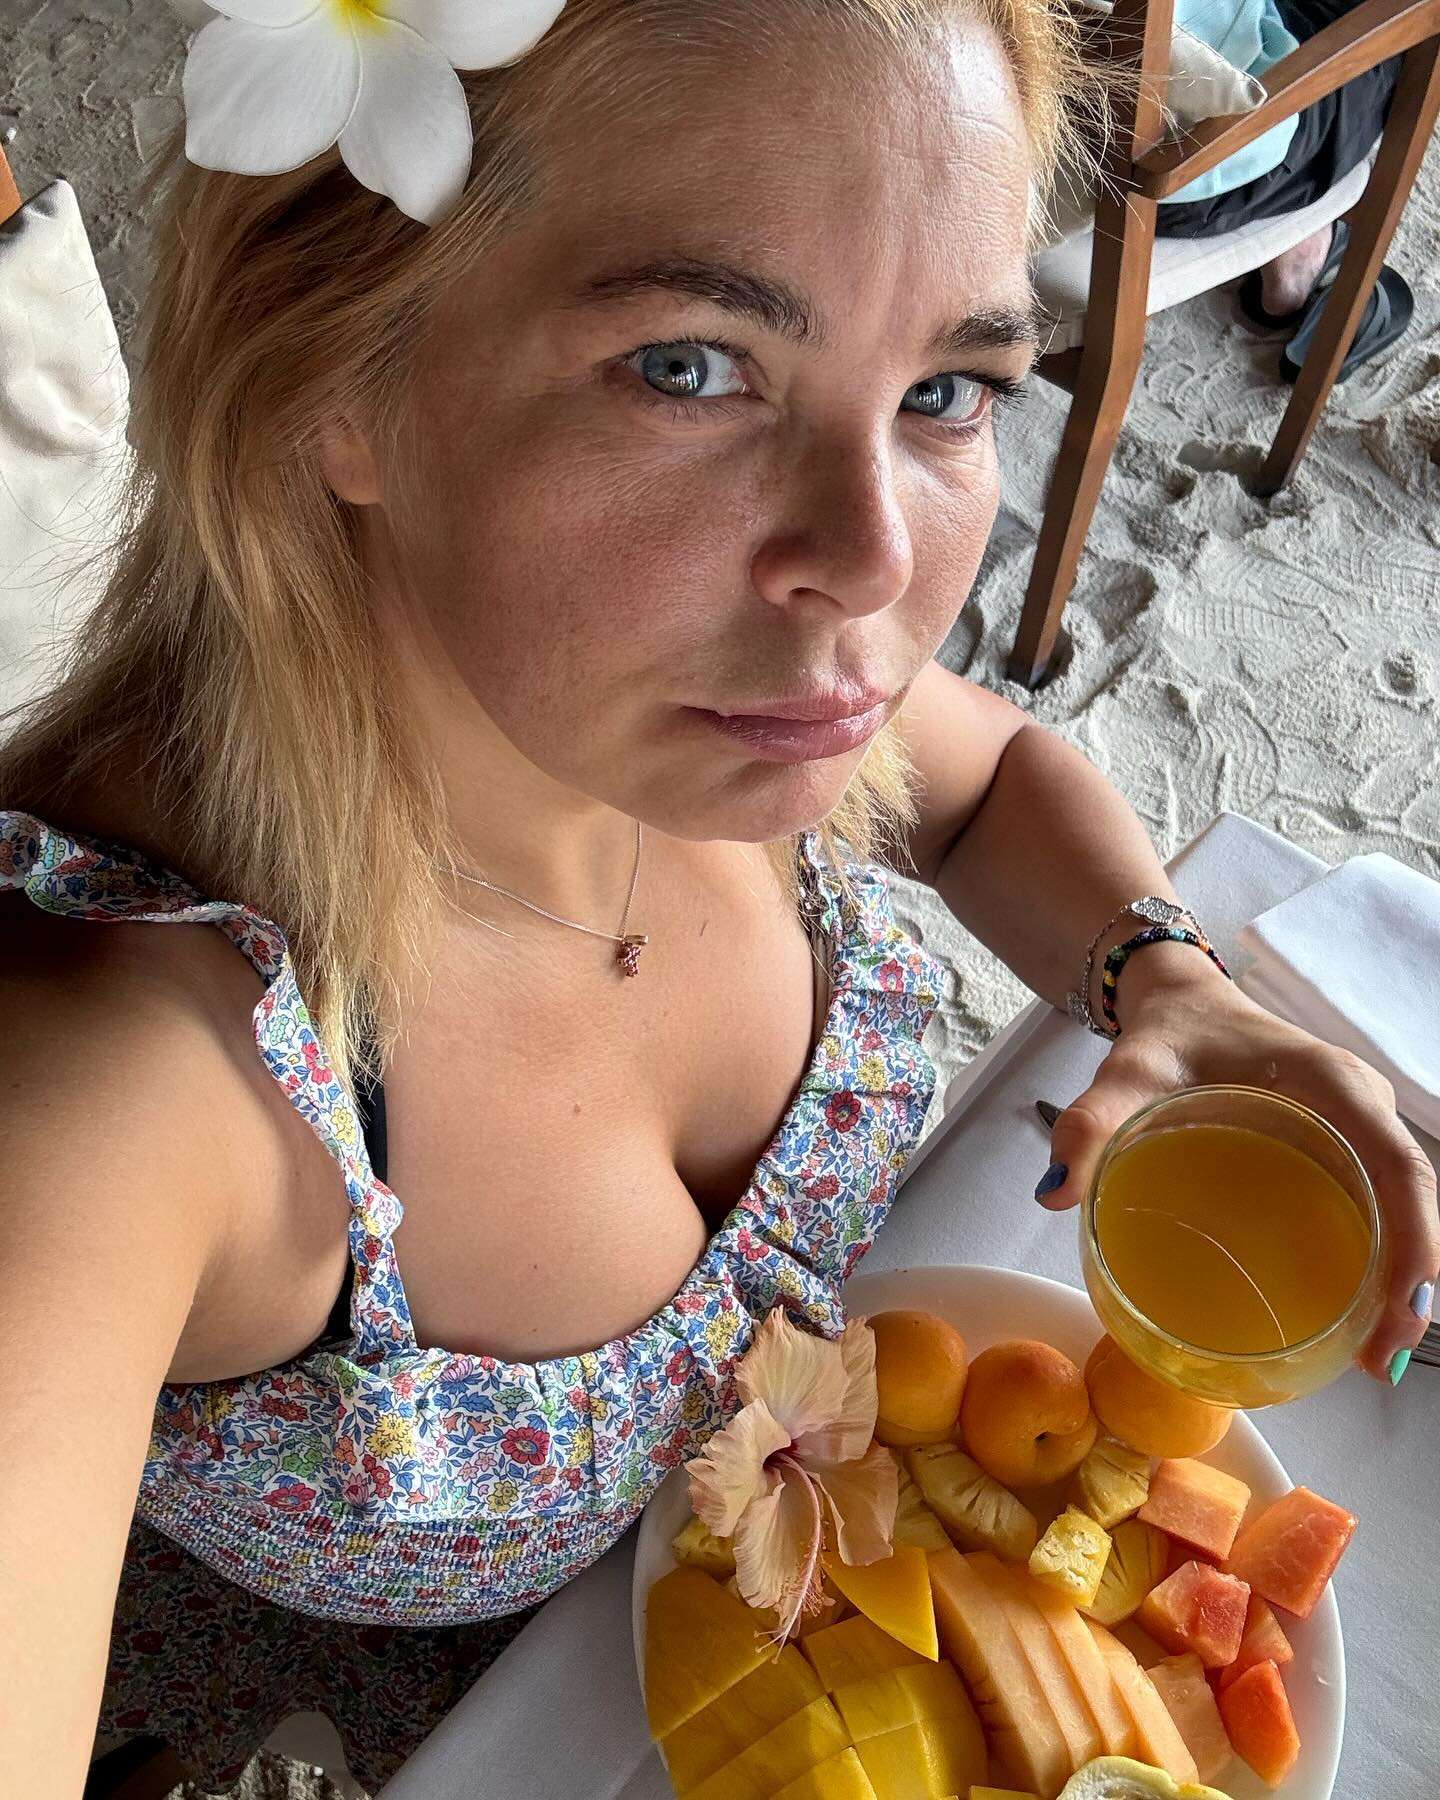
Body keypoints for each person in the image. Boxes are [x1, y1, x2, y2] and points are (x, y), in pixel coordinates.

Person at [0, 1, 1434, 1796]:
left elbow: (982, 779)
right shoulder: (110, 1084)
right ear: (334, 382)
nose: (877, 568)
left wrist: (1167, 978)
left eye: (948, 390)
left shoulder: (701, 700)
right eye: (688, 367)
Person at [1154, 0, 1409, 378]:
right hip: (1171, 177)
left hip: (1067, 161)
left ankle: (1297, 243)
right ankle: (1302, 245)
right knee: (1406, 35)